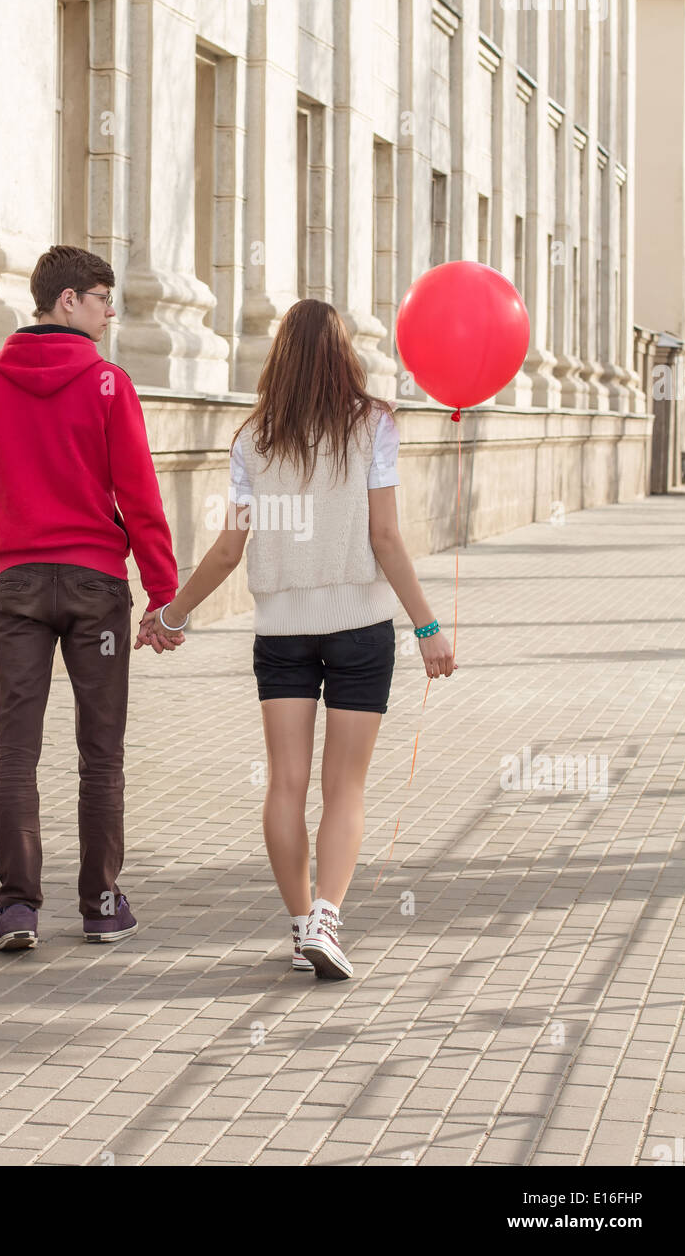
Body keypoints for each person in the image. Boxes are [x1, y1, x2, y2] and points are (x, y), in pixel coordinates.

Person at [139, 298, 457, 981]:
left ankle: (298, 925)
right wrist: (427, 626)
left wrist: (172, 615)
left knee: (285, 782)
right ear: (344, 354)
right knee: (344, 787)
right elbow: (385, 537)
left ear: (278, 358)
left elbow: (228, 550)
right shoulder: (373, 425)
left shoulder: (254, 439)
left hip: (281, 632)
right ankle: (326, 917)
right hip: (360, 630)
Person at [0, 245, 183, 953]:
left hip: (17, 585)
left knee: (15, 755)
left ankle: (17, 910)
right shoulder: (109, 384)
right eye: (100, 299)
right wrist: (163, 591)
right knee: (101, 754)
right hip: (96, 591)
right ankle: (101, 905)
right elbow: (139, 494)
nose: (109, 311)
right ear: (67, 302)